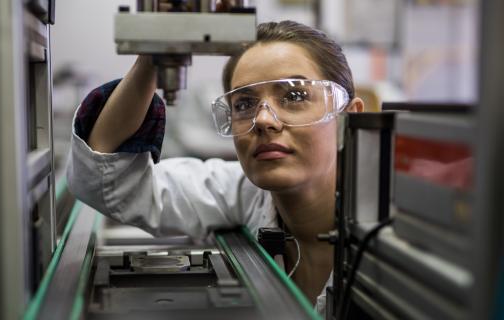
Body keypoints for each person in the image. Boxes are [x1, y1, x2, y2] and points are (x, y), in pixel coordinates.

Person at [66, 20, 364, 315]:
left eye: (294, 95)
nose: (263, 120)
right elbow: (104, 180)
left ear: (349, 120)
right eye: (244, 104)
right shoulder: (243, 193)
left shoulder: (396, 232)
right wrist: (152, 60)